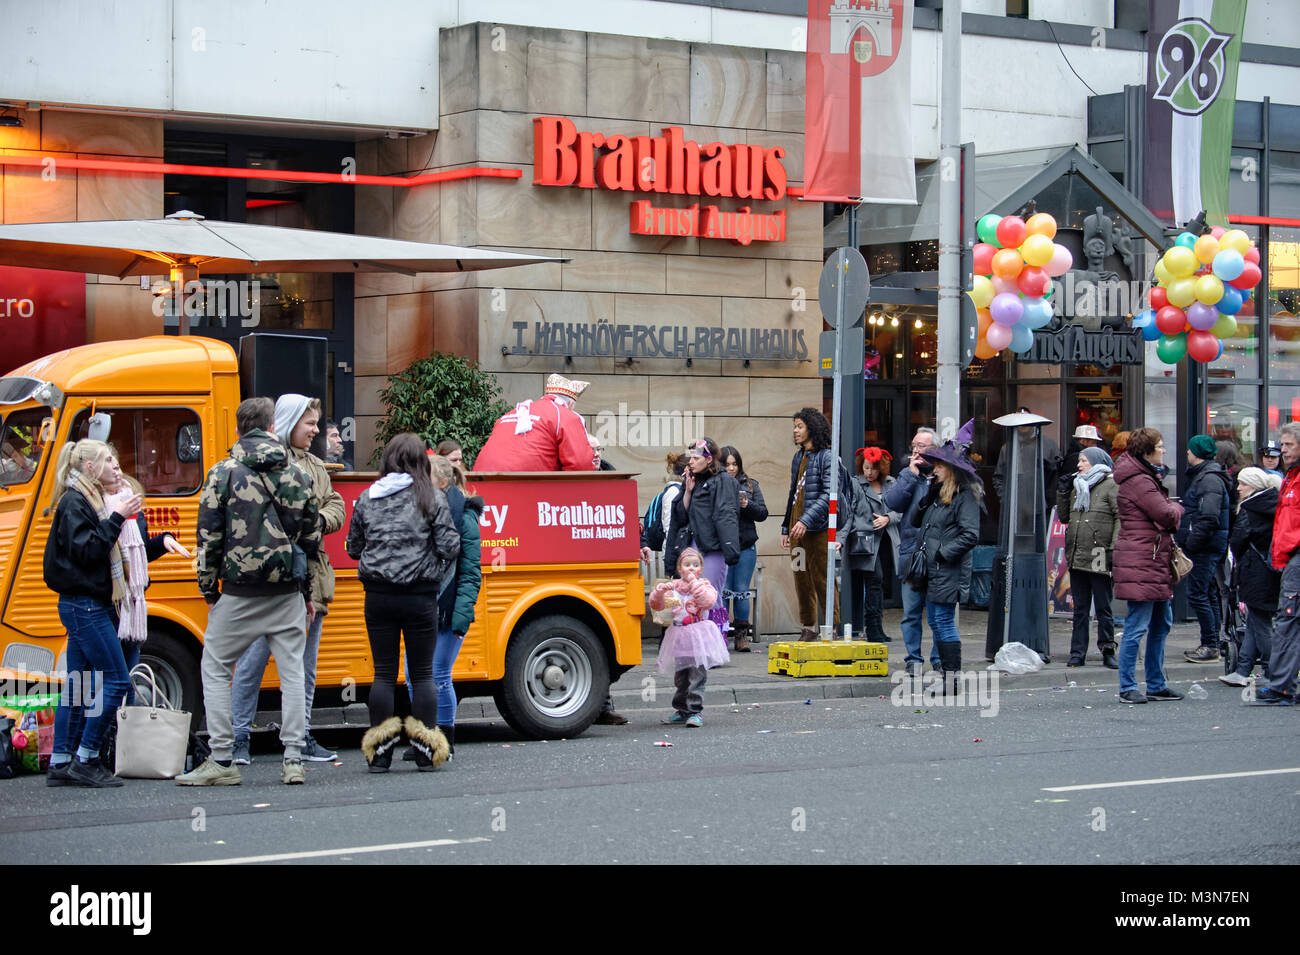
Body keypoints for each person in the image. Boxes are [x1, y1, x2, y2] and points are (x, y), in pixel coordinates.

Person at [178, 398, 322, 786]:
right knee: (292, 671)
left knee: (216, 665)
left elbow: (208, 539)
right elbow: (310, 541)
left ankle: (223, 757)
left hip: (239, 593)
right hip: (286, 592)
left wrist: (209, 592)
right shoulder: (297, 474)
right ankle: (293, 757)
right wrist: (306, 592)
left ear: (240, 429)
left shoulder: (221, 473)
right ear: (272, 427)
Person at [43, 441, 167, 788]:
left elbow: (119, 554)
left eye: (115, 457)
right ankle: (87, 756)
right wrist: (115, 518)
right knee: (116, 680)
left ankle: (61, 762)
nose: (116, 465)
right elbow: (91, 551)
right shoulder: (76, 503)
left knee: (79, 686)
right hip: (85, 605)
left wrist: (157, 540)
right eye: (108, 460)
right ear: (89, 468)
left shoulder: (94, 501)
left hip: (86, 603)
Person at [228, 395, 345, 766]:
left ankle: (300, 735)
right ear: (289, 420)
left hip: (311, 577)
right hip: (271, 580)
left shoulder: (316, 465)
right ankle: (238, 737)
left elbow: (336, 505)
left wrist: (315, 523)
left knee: (303, 668)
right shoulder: (269, 463)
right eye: (309, 423)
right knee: (252, 662)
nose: (315, 430)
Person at [346, 433, 460, 770]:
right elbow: (451, 546)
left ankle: (380, 756)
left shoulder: (368, 497)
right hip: (420, 597)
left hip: (378, 596)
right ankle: (426, 754)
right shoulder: (431, 498)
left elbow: (353, 547)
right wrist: (432, 571)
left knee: (383, 675)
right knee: (423, 675)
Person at [1112, 427, 1185, 704]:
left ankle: (1155, 683)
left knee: (1160, 623)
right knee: (1138, 625)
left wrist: (1168, 509)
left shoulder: (1143, 477)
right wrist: (1178, 507)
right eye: (1161, 446)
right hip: (1143, 560)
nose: (1164, 450)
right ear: (1147, 451)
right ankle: (1129, 686)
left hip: (1150, 559)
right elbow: (1166, 513)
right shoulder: (1140, 481)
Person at [912, 420, 982, 691]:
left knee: (942, 621)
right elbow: (917, 521)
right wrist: (928, 495)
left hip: (947, 569)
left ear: (951, 470)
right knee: (937, 621)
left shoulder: (965, 497)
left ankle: (951, 678)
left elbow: (970, 535)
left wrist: (942, 554)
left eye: (939, 466)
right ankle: (946, 676)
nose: (935, 469)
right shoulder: (940, 494)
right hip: (934, 570)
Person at [430, 455, 482, 757]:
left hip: (450, 611)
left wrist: (461, 617)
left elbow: (470, 572)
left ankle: (445, 740)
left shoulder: (465, 516)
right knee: (414, 676)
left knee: (438, 674)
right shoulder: (425, 511)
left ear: (443, 482)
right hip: (425, 607)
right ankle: (425, 736)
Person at [665, 437, 740, 637]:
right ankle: (701, 641)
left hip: (713, 547)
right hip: (693, 546)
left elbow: (726, 515)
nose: (691, 461)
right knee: (693, 596)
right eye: (691, 457)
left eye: (696, 457)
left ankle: (718, 639)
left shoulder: (723, 480)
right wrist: (688, 492)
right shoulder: (691, 479)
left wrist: (729, 548)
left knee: (712, 596)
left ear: (708, 459)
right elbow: (680, 516)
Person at [781, 409, 846, 639]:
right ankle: (808, 627)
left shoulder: (827, 456)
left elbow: (830, 494)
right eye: (795, 426)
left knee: (823, 578)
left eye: (799, 426)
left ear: (812, 428)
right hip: (797, 530)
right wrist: (785, 527)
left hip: (818, 529)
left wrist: (805, 520)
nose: (795, 431)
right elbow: (793, 493)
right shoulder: (799, 457)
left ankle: (833, 626)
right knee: (801, 577)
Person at [1056, 446, 1119, 669]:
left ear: (1096, 462)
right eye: (1079, 461)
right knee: (1080, 609)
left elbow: (1120, 518)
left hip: (1099, 553)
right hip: (1077, 553)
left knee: (1103, 607)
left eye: (1084, 461)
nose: (1079, 465)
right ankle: (1077, 653)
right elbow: (1064, 517)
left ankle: (1108, 650)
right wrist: (1063, 492)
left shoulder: (1111, 486)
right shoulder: (1076, 487)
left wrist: (1113, 549)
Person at [651, 548, 729, 728]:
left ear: (701, 568)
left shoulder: (705, 586)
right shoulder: (675, 588)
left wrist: (694, 582)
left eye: (695, 565)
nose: (691, 568)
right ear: (680, 568)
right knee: (681, 677)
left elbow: (707, 601)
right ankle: (681, 709)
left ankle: (695, 710)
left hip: (699, 636)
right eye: (687, 565)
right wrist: (660, 592)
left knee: (697, 675)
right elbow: (659, 606)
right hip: (679, 636)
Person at [884, 426, 940, 674]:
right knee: (911, 612)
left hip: (937, 556)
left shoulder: (943, 477)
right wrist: (910, 474)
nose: (916, 451)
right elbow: (893, 502)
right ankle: (913, 660)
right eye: (914, 446)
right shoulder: (908, 474)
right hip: (910, 552)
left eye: (922, 446)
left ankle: (939, 659)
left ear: (935, 449)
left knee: (939, 613)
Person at [1221, 467, 1281, 688]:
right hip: (1270, 570)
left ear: (1254, 485)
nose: (1238, 488)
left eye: (1242, 483)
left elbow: (1238, 539)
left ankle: (1274, 670)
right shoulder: (1272, 504)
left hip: (1255, 571)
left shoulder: (1251, 507)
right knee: (1256, 620)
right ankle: (1243, 669)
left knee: (1260, 621)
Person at [1178, 434, 1231, 664]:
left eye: (1190, 450)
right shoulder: (1208, 476)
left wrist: (1191, 543)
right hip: (1209, 544)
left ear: (1196, 453)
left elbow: (1209, 516)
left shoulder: (1208, 479)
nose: (1187, 453)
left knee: (1199, 594)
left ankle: (1210, 644)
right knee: (1208, 593)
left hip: (1205, 546)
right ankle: (1216, 642)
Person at [473, 374, 595, 471]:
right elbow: (581, 467)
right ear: (569, 404)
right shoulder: (565, 416)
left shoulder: (511, 413)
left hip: (481, 488)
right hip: (527, 491)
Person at [1258, 422, 1300, 704]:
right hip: (1289, 556)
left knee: (1288, 620)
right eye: (1282, 444)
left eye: (1289, 445)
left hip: (1296, 557)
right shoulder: (1290, 476)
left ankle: (1282, 686)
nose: (1282, 450)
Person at [843, 446, 900, 643]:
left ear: (881, 469)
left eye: (873, 469)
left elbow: (901, 509)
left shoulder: (891, 483)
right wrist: (841, 539)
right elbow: (848, 513)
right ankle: (872, 628)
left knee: (880, 582)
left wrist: (888, 518)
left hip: (887, 540)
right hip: (865, 541)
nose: (869, 472)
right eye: (866, 468)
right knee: (874, 581)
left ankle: (876, 628)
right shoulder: (855, 483)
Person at [720, 446, 767, 652]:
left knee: (741, 590)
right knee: (721, 592)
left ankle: (741, 636)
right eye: (727, 464)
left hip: (746, 545)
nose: (731, 468)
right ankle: (720, 634)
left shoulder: (750, 485)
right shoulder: (716, 485)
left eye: (734, 464)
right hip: (722, 547)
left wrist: (747, 504)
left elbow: (763, 513)